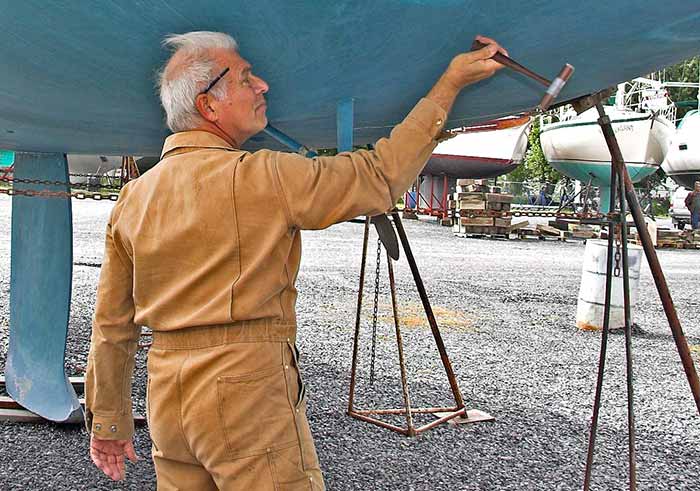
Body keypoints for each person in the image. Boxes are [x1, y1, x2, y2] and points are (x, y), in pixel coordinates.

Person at [85, 31, 505, 490]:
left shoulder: (133, 198)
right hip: (245, 390)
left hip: (167, 397)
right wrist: (448, 85)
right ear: (208, 107)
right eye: (246, 79)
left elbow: (112, 325)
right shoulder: (262, 175)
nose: (262, 85)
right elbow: (379, 177)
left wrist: (108, 421)